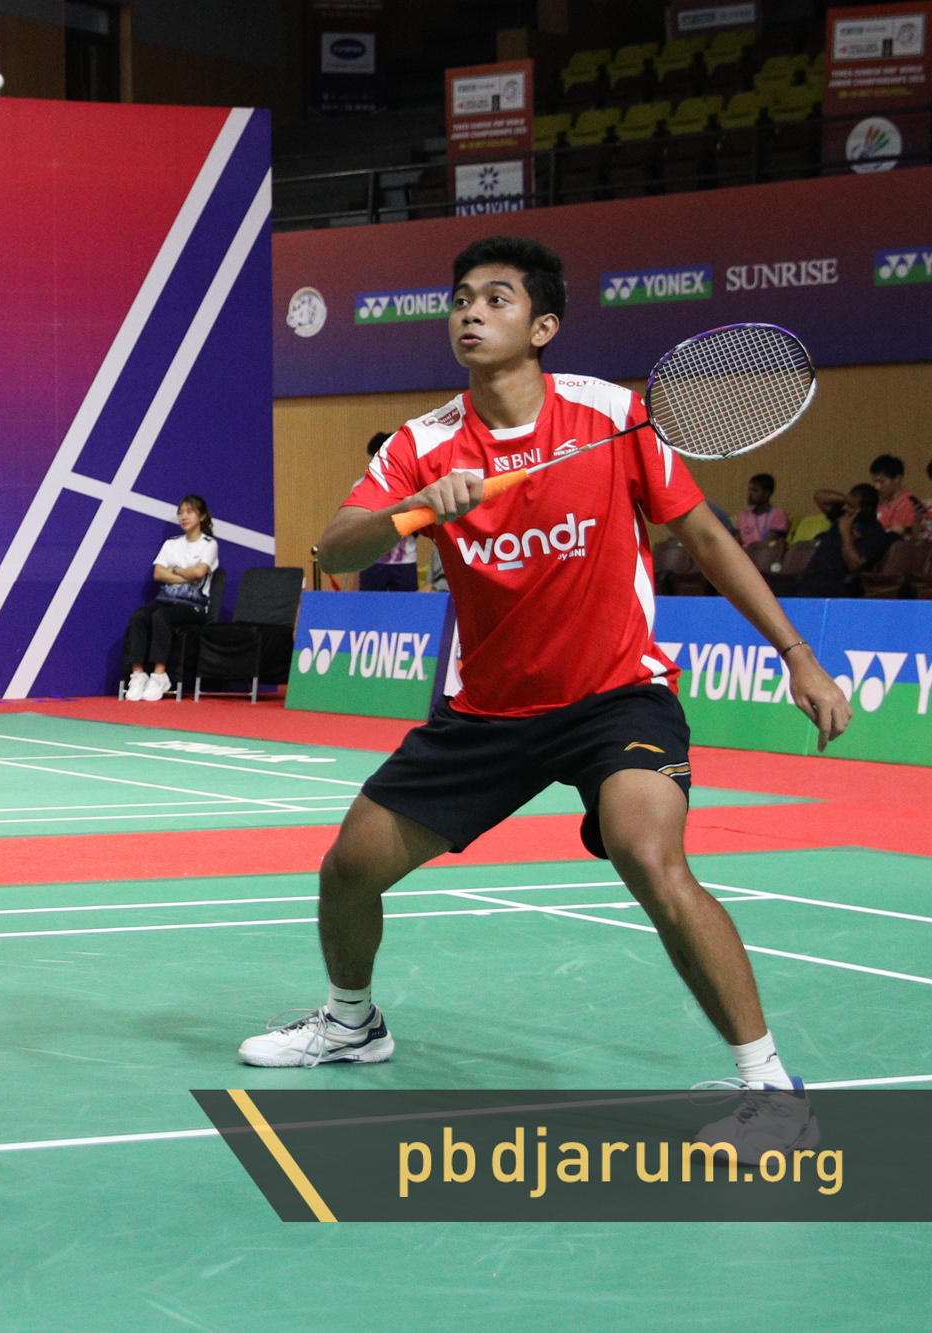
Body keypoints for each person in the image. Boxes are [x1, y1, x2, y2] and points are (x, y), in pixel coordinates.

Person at [240, 237, 851, 1163]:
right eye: (461, 298)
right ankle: (353, 1022)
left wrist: (797, 654)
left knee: (650, 854)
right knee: (348, 868)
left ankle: (769, 1084)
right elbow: (338, 546)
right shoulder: (423, 444)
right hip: (489, 712)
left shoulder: (614, 415)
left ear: (543, 327)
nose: (470, 311)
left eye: (497, 298)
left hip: (616, 695)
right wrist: (419, 508)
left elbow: (706, 537)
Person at [123, 496, 220, 701]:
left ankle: (159, 675)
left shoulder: (209, 544)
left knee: (161, 617)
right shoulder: (171, 544)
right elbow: (158, 574)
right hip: (165, 598)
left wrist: (174, 570)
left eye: (189, 512)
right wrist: (185, 573)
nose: (184, 516)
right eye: (181, 512)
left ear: (202, 516)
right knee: (138, 616)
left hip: (193, 606)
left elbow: (199, 573)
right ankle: (138, 674)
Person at [789, 484, 892, 598]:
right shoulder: (844, 515)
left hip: (835, 585)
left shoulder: (874, 532)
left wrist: (845, 532)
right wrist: (848, 499)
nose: (845, 508)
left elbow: (855, 565)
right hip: (809, 578)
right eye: (846, 504)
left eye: (851, 506)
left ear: (867, 510)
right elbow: (820, 496)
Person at [359, 434, 420, 591]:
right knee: (370, 605)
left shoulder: (410, 486)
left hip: (404, 561)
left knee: (406, 605)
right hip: (372, 561)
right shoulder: (362, 486)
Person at [736, 473, 788, 547]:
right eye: (749, 490)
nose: (749, 494)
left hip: (766, 552)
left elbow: (769, 543)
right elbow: (738, 540)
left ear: (767, 494)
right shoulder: (744, 515)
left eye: (755, 490)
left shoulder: (778, 514)